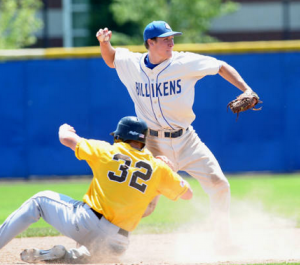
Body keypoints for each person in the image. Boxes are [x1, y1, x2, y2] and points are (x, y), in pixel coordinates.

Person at [96, 20, 260, 252]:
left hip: (187, 140)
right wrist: (105, 43)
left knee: (219, 185)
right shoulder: (132, 63)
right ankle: (107, 239)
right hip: (152, 144)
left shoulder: (184, 62)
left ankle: (223, 239)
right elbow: (111, 58)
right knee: (145, 203)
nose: (171, 42)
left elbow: (221, 66)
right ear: (150, 43)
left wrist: (246, 89)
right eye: (165, 39)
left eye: (172, 37)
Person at [0, 116, 193, 263]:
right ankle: (65, 255)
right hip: (117, 244)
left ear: (119, 136)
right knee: (90, 257)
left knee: (39, 201)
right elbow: (187, 195)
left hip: (85, 224)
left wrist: (63, 128)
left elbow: (66, 138)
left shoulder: (108, 150)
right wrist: (169, 171)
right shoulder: (157, 168)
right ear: (143, 141)